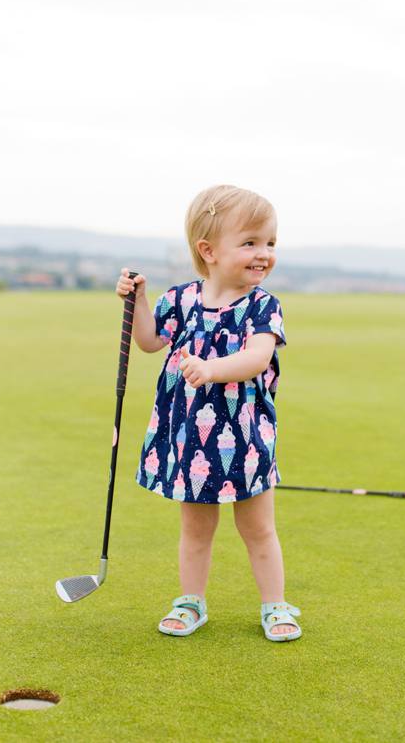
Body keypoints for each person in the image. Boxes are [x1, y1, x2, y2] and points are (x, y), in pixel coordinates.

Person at [115, 184, 301, 642]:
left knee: (257, 528)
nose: (264, 254)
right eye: (251, 242)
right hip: (189, 438)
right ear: (209, 251)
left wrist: (211, 368)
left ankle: (275, 606)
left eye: (270, 243)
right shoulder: (179, 300)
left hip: (245, 436)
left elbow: (257, 358)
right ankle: (191, 602)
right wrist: (136, 300)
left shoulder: (262, 306)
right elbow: (148, 340)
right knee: (195, 529)